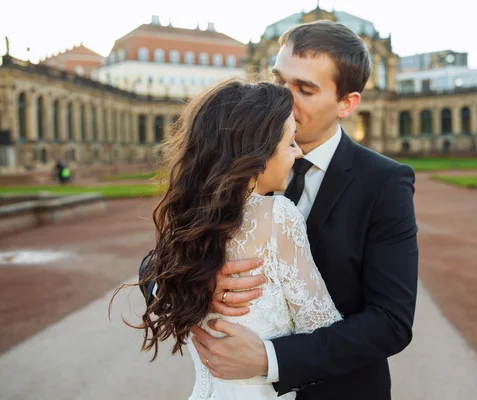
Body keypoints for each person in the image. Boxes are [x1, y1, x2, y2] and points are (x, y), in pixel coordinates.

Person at [140, 20, 418, 400]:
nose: (284, 98)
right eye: (278, 81)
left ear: (347, 104)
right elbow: (158, 260)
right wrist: (197, 278)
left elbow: (392, 322)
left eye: (304, 89)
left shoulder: (385, 182)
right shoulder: (226, 174)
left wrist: (270, 359)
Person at [125, 78, 343, 400]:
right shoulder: (278, 215)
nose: (298, 153)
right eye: (290, 142)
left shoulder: (189, 217)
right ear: (258, 152)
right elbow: (326, 332)